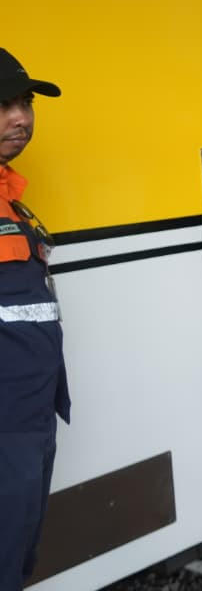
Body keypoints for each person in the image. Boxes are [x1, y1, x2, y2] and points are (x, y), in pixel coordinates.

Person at [0, 48, 68, 588]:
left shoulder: (12, 200)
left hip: (29, 416)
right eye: (1, 105)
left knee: (18, 557)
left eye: (23, 103)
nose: (20, 117)